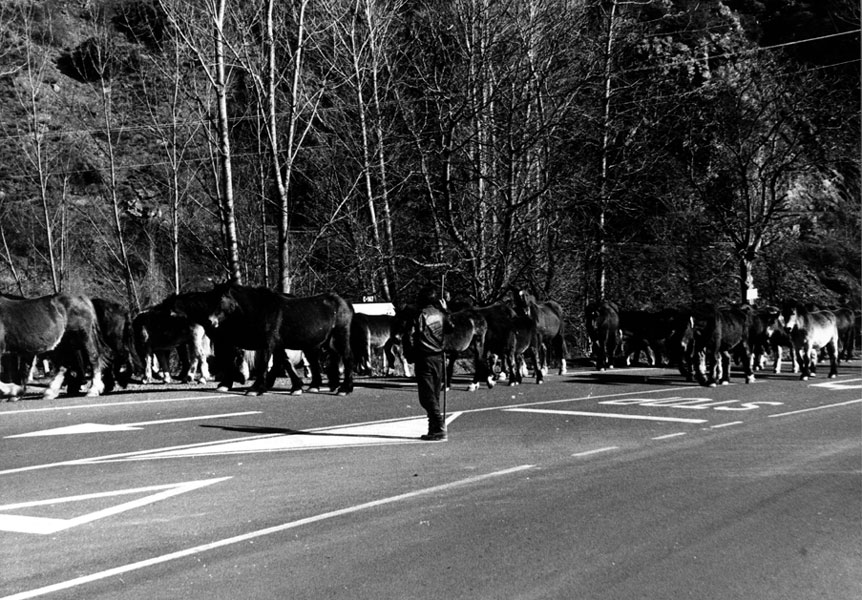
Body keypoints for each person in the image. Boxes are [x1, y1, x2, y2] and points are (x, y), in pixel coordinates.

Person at [406, 285, 448, 441]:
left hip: (424, 358)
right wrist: (445, 311)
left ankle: (439, 426)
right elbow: (451, 328)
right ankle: (433, 429)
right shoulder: (440, 315)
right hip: (439, 358)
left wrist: (409, 355)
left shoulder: (418, 315)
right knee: (434, 395)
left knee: (426, 396)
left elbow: (409, 336)